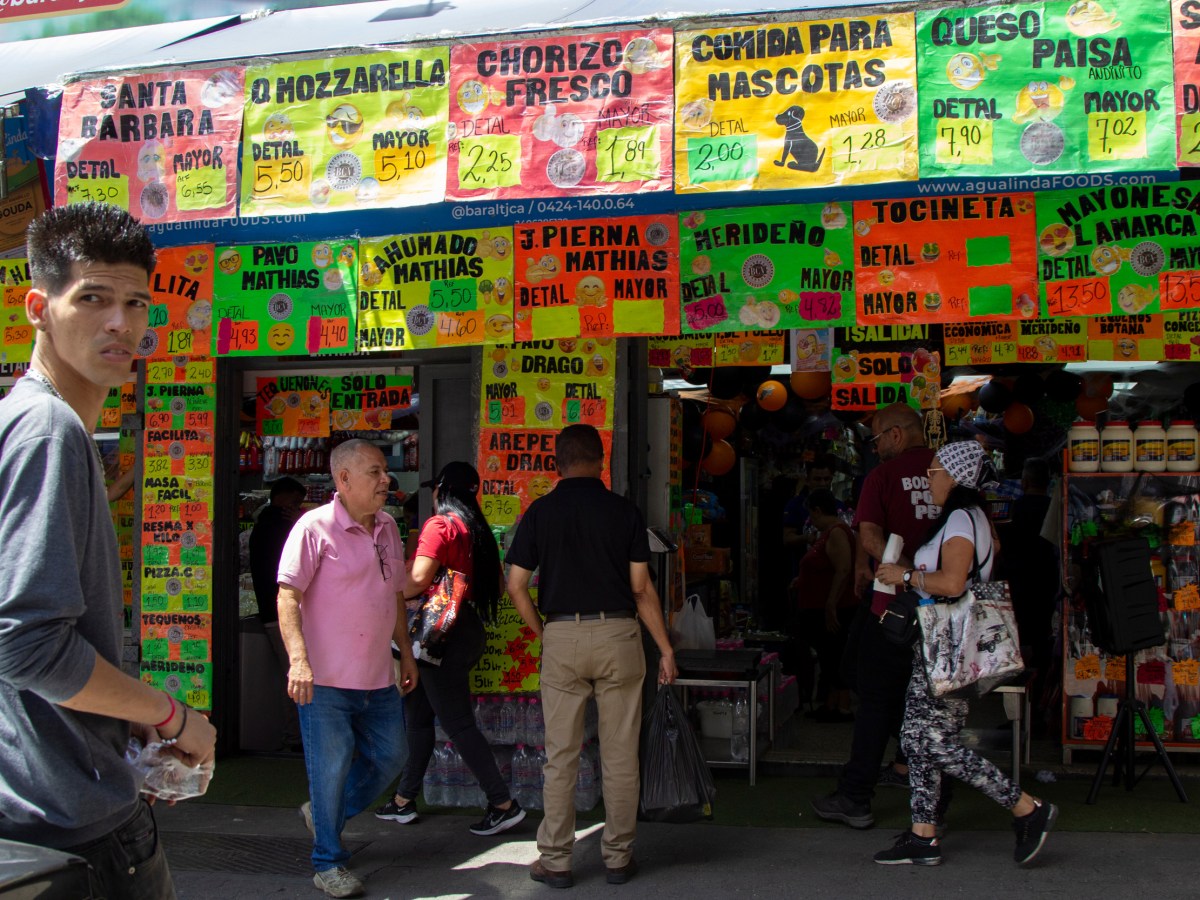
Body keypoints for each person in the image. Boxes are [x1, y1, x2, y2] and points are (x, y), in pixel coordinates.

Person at [0, 203, 217, 898]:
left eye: (135, 303)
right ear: (39, 306)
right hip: (76, 830)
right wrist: (170, 715)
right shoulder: (47, 431)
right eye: (91, 298)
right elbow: (26, 646)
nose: (120, 324)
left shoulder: (21, 421)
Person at [506, 424, 678, 889]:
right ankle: (618, 858)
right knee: (621, 754)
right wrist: (664, 647)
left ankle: (557, 861)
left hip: (562, 634)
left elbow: (516, 585)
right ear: (601, 461)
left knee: (560, 755)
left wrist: (544, 632)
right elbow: (641, 588)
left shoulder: (540, 513)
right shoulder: (624, 512)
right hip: (620, 634)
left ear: (556, 463)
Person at [873, 441, 1057, 867]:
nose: (929, 479)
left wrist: (904, 574)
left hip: (950, 644)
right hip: (948, 644)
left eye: (934, 471)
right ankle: (924, 835)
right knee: (922, 741)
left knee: (926, 740)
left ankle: (1026, 806)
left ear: (954, 477)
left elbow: (954, 583)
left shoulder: (959, 518)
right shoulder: (973, 517)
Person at [277, 439, 419, 899]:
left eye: (384, 471)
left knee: (393, 757)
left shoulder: (388, 528)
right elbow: (288, 596)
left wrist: (405, 652)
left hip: (378, 676)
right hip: (326, 683)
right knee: (330, 770)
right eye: (375, 472)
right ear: (344, 480)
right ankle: (328, 861)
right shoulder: (313, 527)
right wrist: (299, 660)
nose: (386, 480)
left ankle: (323, 816)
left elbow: (394, 594)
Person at [376, 461, 526, 836]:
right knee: (419, 715)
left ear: (442, 490)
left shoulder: (440, 525)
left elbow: (416, 580)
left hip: (437, 636)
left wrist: (385, 585)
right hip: (463, 629)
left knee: (456, 723)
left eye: (434, 488)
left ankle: (503, 804)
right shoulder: (476, 530)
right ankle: (403, 800)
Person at [812, 402, 938, 828]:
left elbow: (868, 535)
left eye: (877, 437)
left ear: (897, 436)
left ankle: (856, 795)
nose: (875, 445)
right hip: (943, 611)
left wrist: (899, 571)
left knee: (875, 696)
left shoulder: (883, 476)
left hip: (895, 606)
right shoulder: (946, 472)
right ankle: (908, 769)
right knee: (921, 698)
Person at [249, 475, 307, 750]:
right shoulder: (280, 527)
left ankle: (295, 736)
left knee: (294, 674)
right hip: (283, 614)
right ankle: (295, 737)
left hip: (272, 612)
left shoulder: (265, 524)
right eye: (295, 502)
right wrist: (302, 522)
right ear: (283, 499)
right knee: (297, 675)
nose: (296, 507)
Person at [791, 488, 856, 722]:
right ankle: (832, 704)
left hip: (831, 609)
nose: (811, 520)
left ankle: (842, 706)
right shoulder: (830, 532)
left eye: (811, 514)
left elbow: (844, 569)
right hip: (818, 606)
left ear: (817, 511)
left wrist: (830, 604)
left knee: (833, 656)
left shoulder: (837, 532)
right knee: (830, 656)